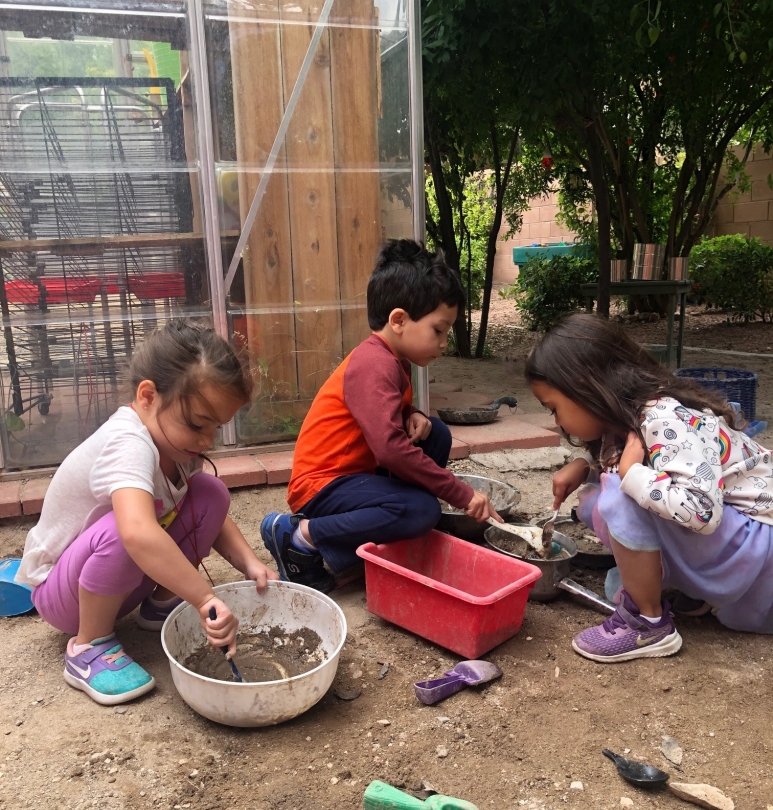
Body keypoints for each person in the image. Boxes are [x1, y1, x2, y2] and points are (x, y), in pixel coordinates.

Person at [17, 319, 277, 706]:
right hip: (64, 594)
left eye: (216, 429)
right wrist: (205, 598)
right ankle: (87, 647)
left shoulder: (178, 446)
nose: (207, 441)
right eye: (196, 425)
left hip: (118, 579)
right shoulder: (128, 442)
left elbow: (211, 518)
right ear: (147, 396)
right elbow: (137, 533)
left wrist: (250, 563)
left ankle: (159, 606)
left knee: (209, 492)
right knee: (126, 529)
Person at [525, 313, 773, 662]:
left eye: (554, 409)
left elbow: (702, 512)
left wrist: (629, 475)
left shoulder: (666, 418)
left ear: (586, 387)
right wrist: (585, 469)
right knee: (595, 497)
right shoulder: (628, 419)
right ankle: (688, 592)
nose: (557, 422)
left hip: (761, 547)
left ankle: (648, 623)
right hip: (741, 543)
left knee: (616, 496)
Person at [261, 239, 500, 591]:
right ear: (399, 320)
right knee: (422, 510)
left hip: (356, 477)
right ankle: (300, 535)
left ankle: (371, 537)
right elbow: (389, 449)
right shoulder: (374, 363)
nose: (444, 343)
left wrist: (412, 412)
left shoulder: (391, 360)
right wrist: (461, 493)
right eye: (438, 330)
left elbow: (381, 411)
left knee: (435, 433)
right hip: (322, 485)